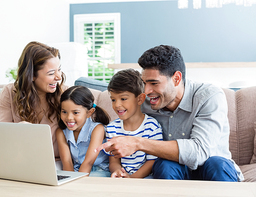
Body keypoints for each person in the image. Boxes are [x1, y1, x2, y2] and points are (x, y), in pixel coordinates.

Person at [96, 45, 244, 182]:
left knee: (217, 164)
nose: (147, 91)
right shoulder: (145, 101)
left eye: (154, 83)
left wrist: (136, 142)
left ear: (176, 79)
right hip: (176, 170)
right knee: (165, 165)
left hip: (212, 168)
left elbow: (199, 152)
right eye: (144, 83)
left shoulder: (208, 96)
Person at [0, 41, 66, 161]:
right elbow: (0, 135)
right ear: (32, 75)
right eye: (51, 73)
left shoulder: (66, 95)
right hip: (20, 158)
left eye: (59, 70)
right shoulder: (9, 92)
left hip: (54, 161)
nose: (59, 77)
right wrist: (18, 130)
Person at [106, 69, 163, 178]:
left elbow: (152, 162)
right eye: (113, 100)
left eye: (123, 99)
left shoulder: (151, 127)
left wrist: (133, 178)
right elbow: (113, 161)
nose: (117, 105)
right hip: (122, 177)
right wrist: (118, 172)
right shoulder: (112, 128)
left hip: (145, 177)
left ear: (140, 99)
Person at [56, 86, 111, 177]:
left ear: (89, 112)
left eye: (75, 112)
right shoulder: (61, 132)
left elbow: (88, 162)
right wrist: (69, 180)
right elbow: (67, 162)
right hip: (77, 169)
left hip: (99, 169)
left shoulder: (97, 129)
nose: (69, 117)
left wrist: (77, 184)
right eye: (64, 112)